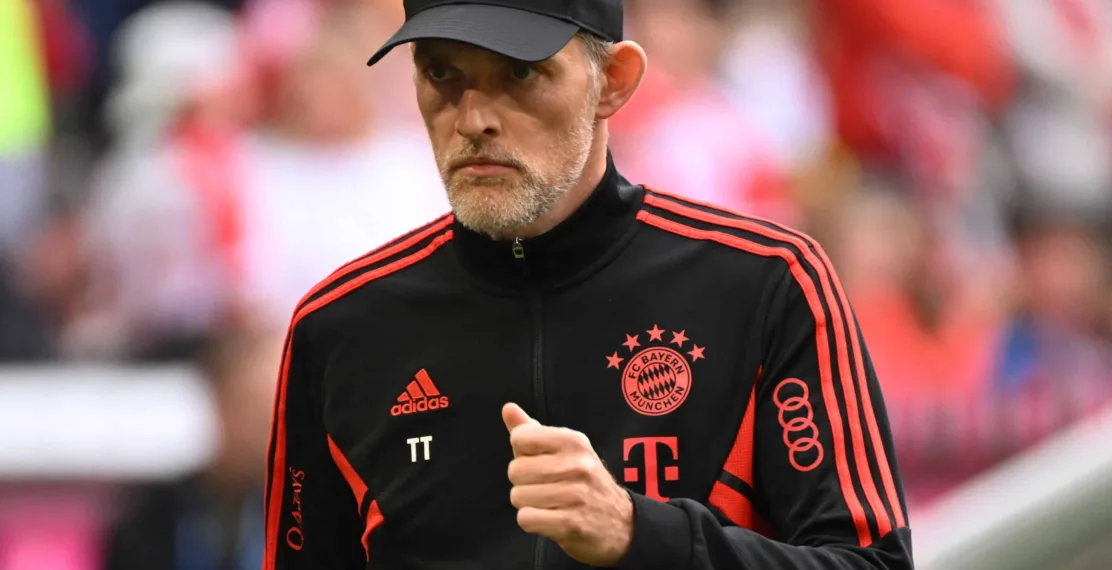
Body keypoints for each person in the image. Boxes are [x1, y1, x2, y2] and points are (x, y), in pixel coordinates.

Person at [261, 1, 913, 568]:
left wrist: (643, 535)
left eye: (521, 72)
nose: (474, 118)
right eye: (442, 73)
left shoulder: (768, 283)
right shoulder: (340, 329)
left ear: (614, 82)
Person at [104, 323, 280, 570]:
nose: (272, 432)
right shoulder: (153, 522)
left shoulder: (308, 519)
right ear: (220, 402)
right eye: (260, 413)